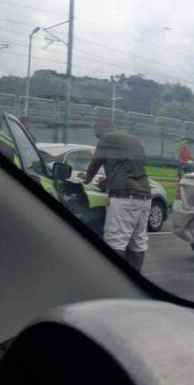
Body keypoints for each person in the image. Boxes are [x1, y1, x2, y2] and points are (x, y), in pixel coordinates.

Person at [83, 113, 151, 271]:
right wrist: (108, 182)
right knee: (138, 241)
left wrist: (86, 178)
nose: (96, 136)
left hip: (124, 197)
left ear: (100, 128)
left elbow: (96, 162)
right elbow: (130, 168)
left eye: (96, 131)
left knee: (116, 241)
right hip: (144, 196)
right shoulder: (133, 140)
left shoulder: (106, 138)